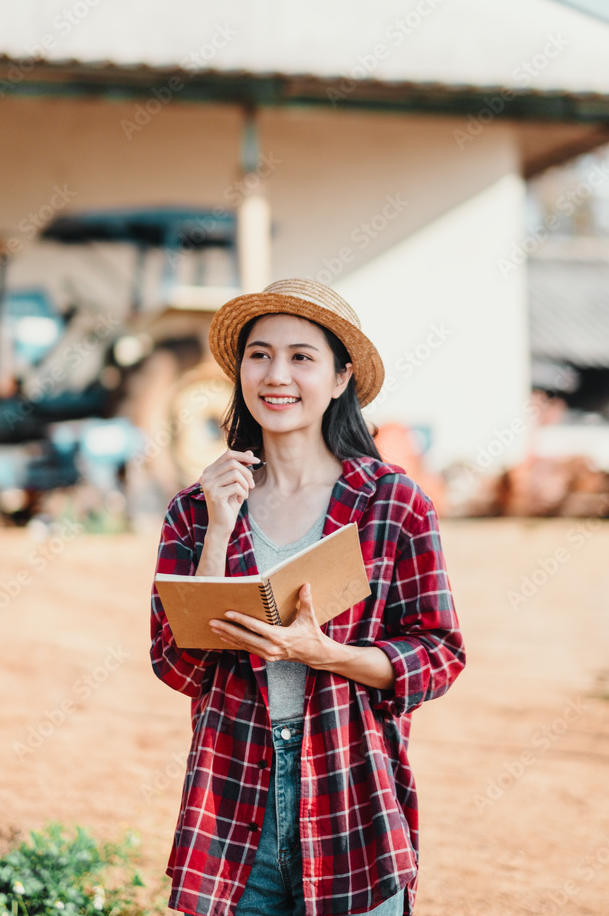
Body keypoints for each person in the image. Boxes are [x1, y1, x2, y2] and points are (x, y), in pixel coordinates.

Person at [150, 278, 466, 916]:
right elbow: (177, 664)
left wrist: (324, 652)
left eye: (302, 356)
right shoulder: (196, 506)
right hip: (232, 794)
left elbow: (437, 657)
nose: (277, 375)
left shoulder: (391, 505)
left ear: (341, 377)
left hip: (352, 788)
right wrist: (219, 525)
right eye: (260, 354)